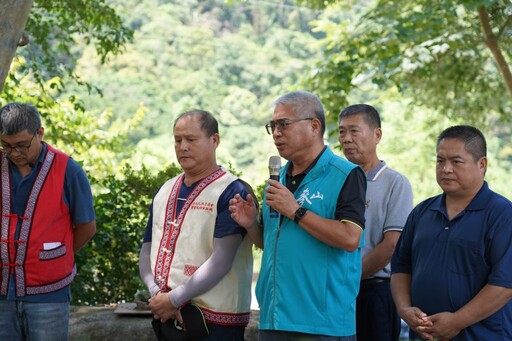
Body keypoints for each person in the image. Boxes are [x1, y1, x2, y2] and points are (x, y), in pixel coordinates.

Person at [229, 90, 367, 340]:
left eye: (284, 124)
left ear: (314, 126)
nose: (277, 133)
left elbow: (350, 238)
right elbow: (272, 243)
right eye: (272, 126)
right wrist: (251, 225)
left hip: (321, 324)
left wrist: (296, 211)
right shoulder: (277, 179)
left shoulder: (346, 174)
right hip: (274, 318)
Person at [138, 109, 253, 340]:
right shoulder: (165, 190)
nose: (183, 147)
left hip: (216, 322)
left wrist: (173, 299)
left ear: (214, 140)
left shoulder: (232, 191)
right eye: (178, 140)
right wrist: (157, 295)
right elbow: (147, 249)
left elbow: (221, 260)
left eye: (191, 139)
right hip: (167, 315)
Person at [391, 125, 512, 340]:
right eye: (440, 161)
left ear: (482, 164)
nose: (446, 169)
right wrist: (404, 310)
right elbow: (401, 267)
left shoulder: (502, 214)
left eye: (456, 162)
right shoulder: (422, 212)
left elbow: (504, 284)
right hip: (423, 335)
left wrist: (457, 322)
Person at [0, 102, 97, 340]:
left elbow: (86, 226)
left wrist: (61, 253)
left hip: (48, 294)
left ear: (39, 133)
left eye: (22, 145)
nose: (14, 153)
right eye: (6, 146)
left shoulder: (68, 170)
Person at [338, 104, 413, 341]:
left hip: (375, 291)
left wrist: (349, 278)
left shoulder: (395, 183)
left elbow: (391, 245)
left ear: (377, 135)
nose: (346, 139)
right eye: (341, 132)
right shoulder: (336, 178)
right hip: (335, 290)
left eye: (354, 131)